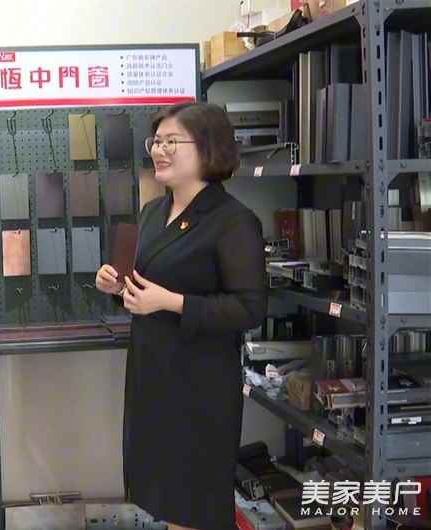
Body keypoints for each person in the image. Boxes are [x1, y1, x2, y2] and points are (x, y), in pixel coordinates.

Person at [95, 102, 267, 530]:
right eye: (156, 141)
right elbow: (144, 289)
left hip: (199, 389)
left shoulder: (233, 221)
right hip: (153, 379)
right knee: (161, 499)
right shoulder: (153, 212)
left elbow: (250, 308)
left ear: (208, 149)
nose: (159, 150)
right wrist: (117, 287)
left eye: (172, 141)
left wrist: (172, 302)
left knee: (194, 505)